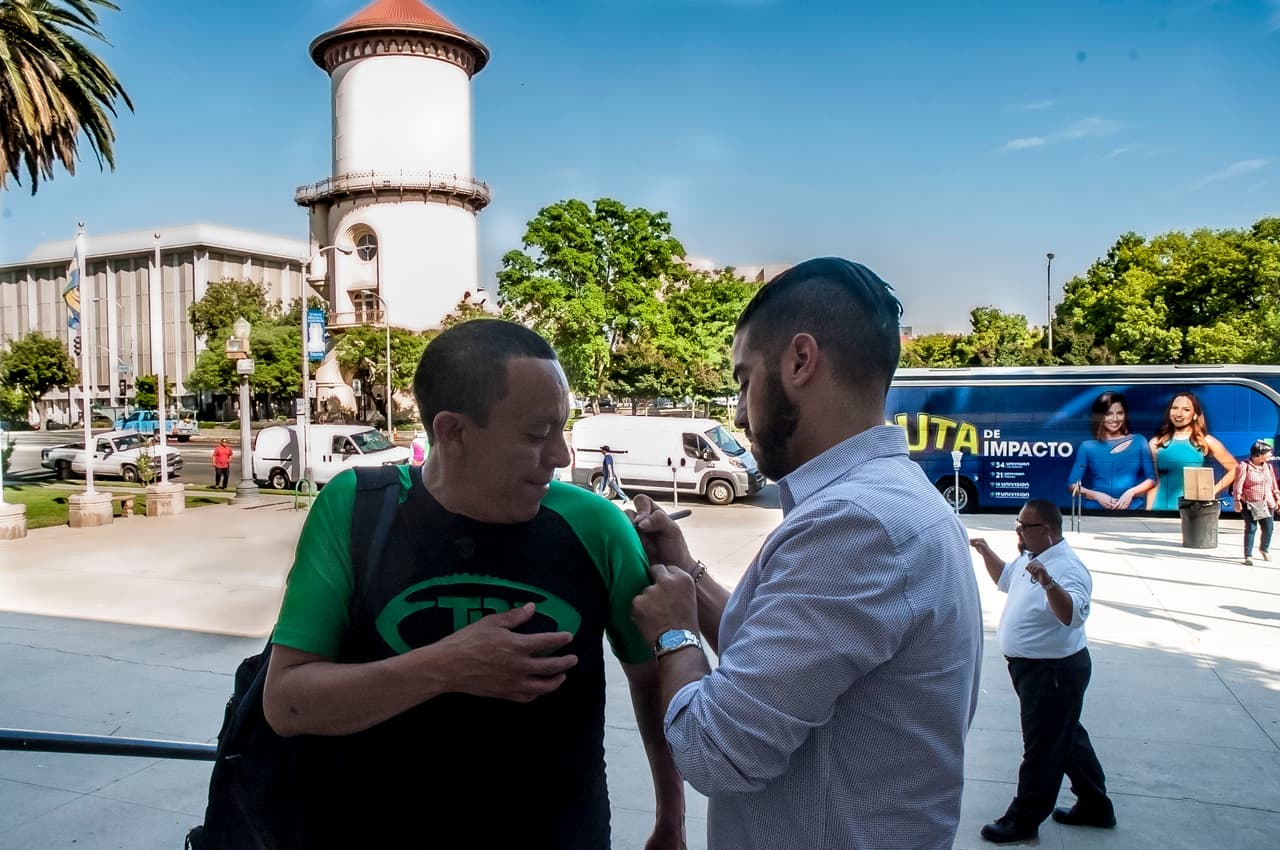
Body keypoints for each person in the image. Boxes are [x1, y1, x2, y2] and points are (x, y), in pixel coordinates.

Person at [262, 319, 685, 849]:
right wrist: (447, 667)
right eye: (536, 434)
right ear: (452, 431)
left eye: (561, 428)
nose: (561, 456)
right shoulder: (357, 509)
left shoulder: (595, 526)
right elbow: (286, 702)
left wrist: (672, 817)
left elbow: (650, 683)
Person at [627, 257, 984, 849]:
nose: (739, 413)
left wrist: (675, 634)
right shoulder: (887, 498)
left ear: (799, 360)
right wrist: (688, 570)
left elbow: (715, 752)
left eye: (744, 380)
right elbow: (779, 664)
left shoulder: (855, 524)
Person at [969, 499, 1115, 844]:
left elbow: (1073, 616)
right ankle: (1096, 805)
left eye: (1024, 526)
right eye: (1017, 524)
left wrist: (1050, 584)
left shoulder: (1067, 567)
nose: (1018, 531)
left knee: (1043, 746)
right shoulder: (1030, 557)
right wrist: (987, 552)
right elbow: (1006, 580)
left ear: (1046, 530)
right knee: (1066, 737)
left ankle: (1023, 818)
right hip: (1031, 668)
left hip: (1054, 671)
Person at [1147, 390, 1237, 510]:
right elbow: (1154, 483)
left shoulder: (1205, 441)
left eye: (1186, 409)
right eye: (1174, 408)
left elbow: (1236, 469)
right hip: (1159, 508)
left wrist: (1212, 492)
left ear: (1195, 414)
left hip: (1191, 511)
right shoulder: (1155, 443)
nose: (1179, 413)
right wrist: (1148, 513)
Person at [1067, 390, 1154, 510]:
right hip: (1095, 510)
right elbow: (1072, 486)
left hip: (1132, 509)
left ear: (1125, 415)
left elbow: (1151, 479)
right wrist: (1096, 496)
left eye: (1119, 413)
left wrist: (1131, 493)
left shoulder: (1139, 441)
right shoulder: (1087, 447)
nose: (1115, 418)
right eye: (1108, 414)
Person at [1231, 439, 1279, 565]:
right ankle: (1248, 556)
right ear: (1259, 454)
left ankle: (1264, 549)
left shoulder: (1268, 466)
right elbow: (1237, 485)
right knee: (1251, 528)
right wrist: (1237, 500)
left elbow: (1273, 483)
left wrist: (1277, 496)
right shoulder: (1244, 466)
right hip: (1250, 503)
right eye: (1268, 453)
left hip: (1267, 503)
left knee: (1269, 528)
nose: (1270, 455)